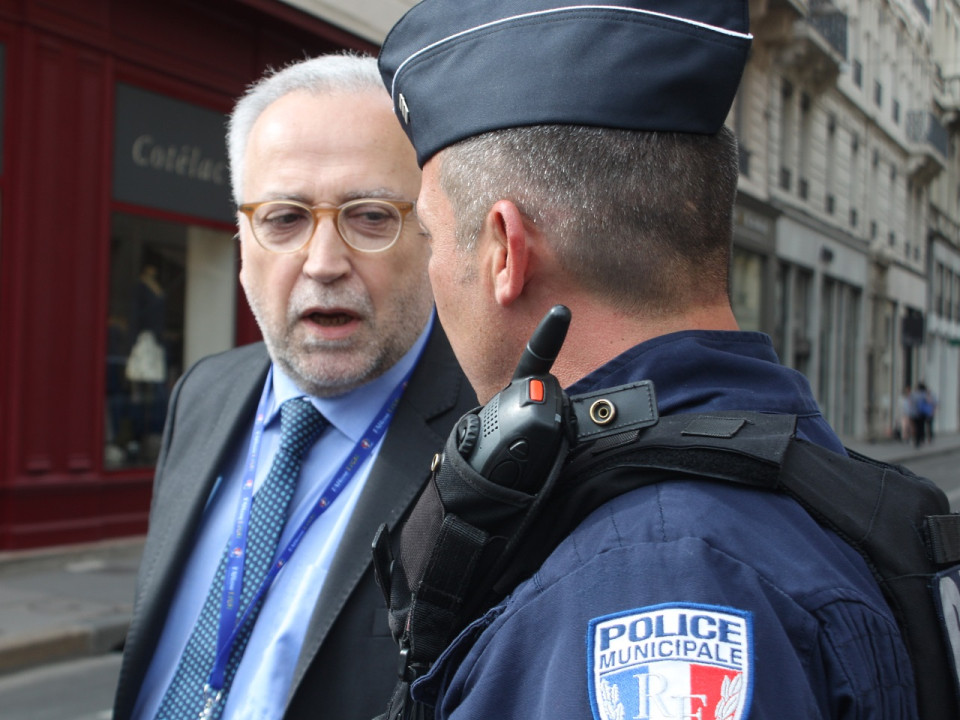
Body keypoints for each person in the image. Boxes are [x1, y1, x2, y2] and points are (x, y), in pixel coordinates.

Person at [377, 1, 918, 718]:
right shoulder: (773, 474)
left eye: (429, 236)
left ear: (505, 251)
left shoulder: (650, 580)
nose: (430, 269)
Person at [112, 54, 475, 720]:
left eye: (369, 216)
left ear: (433, 233)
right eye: (284, 218)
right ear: (240, 239)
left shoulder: (493, 440)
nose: (324, 262)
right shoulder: (205, 393)